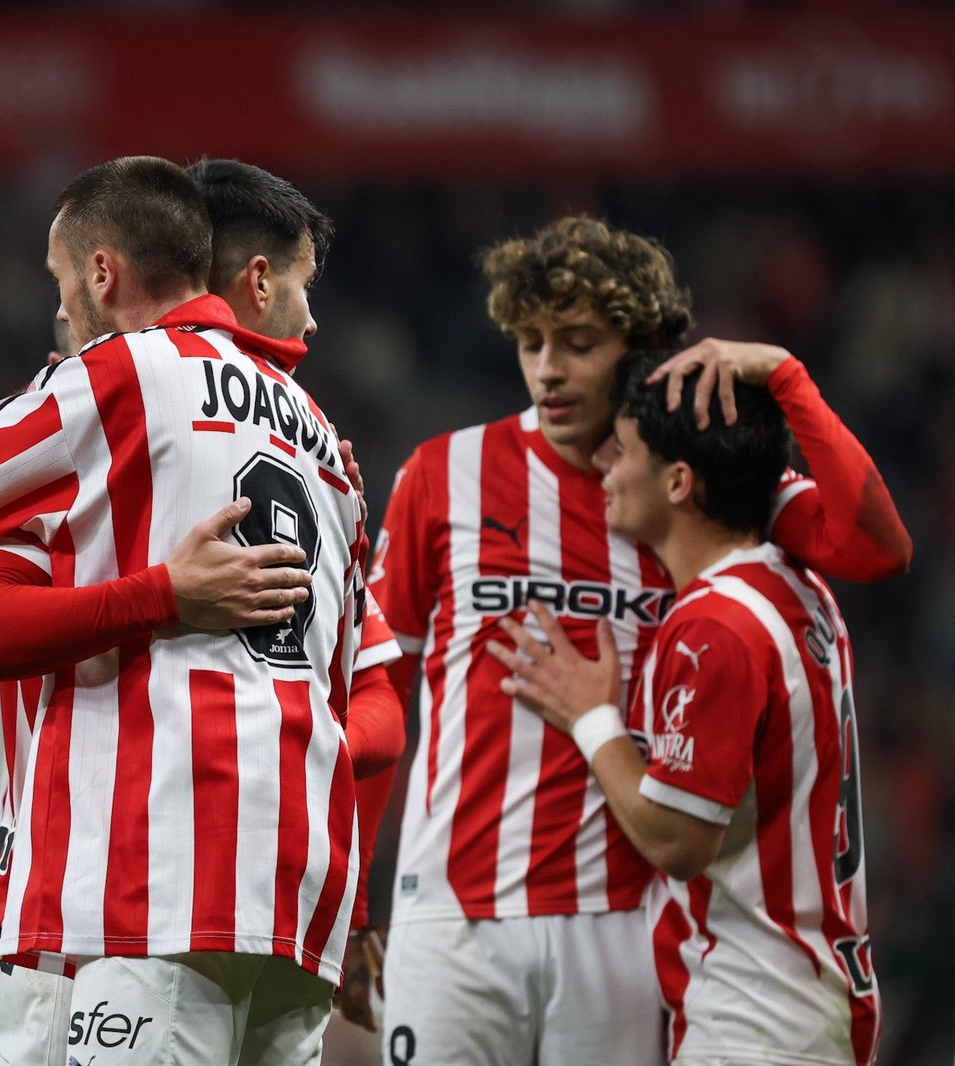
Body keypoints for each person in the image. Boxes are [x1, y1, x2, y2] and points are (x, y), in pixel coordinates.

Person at [363, 215, 910, 1065]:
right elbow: (378, 690)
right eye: (531, 341)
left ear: (643, 346)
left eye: (578, 342)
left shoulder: (693, 484)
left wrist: (783, 373)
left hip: (626, 923)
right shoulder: (442, 474)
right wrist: (351, 895)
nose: (548, 369)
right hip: (453, 914)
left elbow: (875, 547)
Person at [0, 156, 377, 1065]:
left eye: (60, 280)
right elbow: (357, 699)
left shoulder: (128, 375)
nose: (59, 305)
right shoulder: (334, 454)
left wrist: (143, 585)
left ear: (101, 273)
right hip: (300, 886)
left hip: (165, 875)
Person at [488, 349, 880, 1064]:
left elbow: (677, 839)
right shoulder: (801, 590)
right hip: (813, 997)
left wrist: (591, 718)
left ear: (678, 480)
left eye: (625, 448)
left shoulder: (713, 626)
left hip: (752, 1020)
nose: (605, 462)